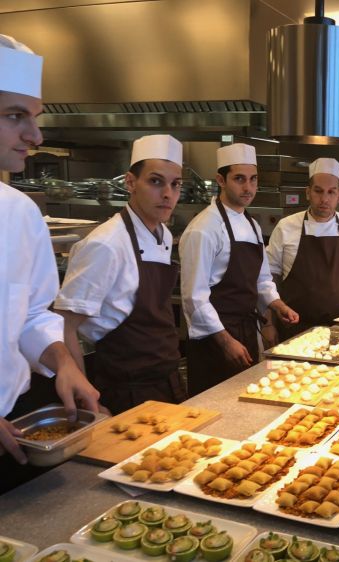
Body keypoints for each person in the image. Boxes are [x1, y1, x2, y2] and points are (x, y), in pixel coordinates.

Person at [0, 34, 100, 489]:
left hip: (16, 431)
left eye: (35, 118)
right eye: (15, 116)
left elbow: (33, 315)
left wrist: (63, 363)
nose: (36, 137)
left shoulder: (21, 215)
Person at [55, 135, 187, 415]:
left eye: (175, 184)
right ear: (130, 183)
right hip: (124, 390)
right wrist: (87, 400)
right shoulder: (106, 244)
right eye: (155, 181)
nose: (167, 194)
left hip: (164, 380)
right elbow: (64, 324)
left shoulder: (161, 233)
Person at [179, 143, 299, 396]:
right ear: (221, 180)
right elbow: (194, 298)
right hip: (213, 339)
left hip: (244, 330)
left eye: (253, 180)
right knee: (214, 406)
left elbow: (262, 280)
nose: (248, 188)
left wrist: (278, 305)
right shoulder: (203, 228)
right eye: (239, 179)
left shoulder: (252, 225)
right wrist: (225, 341)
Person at [266, 157, 339, 339]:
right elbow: (268, 277)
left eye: (331, 192)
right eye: (318, 191)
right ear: (308, 192)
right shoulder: (286, 226)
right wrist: (268, 323)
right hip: (294, 328)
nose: (324, 199)